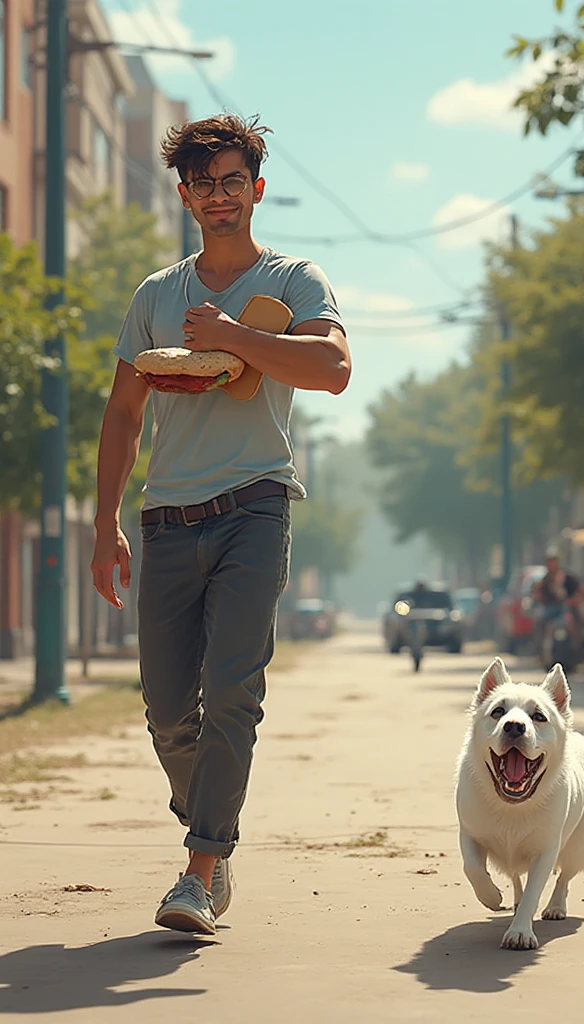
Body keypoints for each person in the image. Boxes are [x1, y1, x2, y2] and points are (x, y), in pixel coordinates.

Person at [91, 114, 351, 935]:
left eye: (233, 180)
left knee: (234, 691)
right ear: (184, 196)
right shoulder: (156, 296)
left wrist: (235, 335)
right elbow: (123, 413)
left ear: (257, 189)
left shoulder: (293, 279)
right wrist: (105, 524)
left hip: (255, 507)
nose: (218, 195)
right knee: (169, 711)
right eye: (202, 183)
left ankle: (198, 872)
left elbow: (334, 369)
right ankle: (215, 827)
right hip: (167, 518)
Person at [532, 547, 584, 650]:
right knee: (539, 621)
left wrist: (573, 599)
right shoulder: (545, 579)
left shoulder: (567, 577)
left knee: (575, 619)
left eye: (554, 561)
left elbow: (580, 591)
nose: (552, 564)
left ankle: (576, 645)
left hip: (566, 608)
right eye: (549, 561)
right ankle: (540, 648)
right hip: (550, 608)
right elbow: (537, 594)